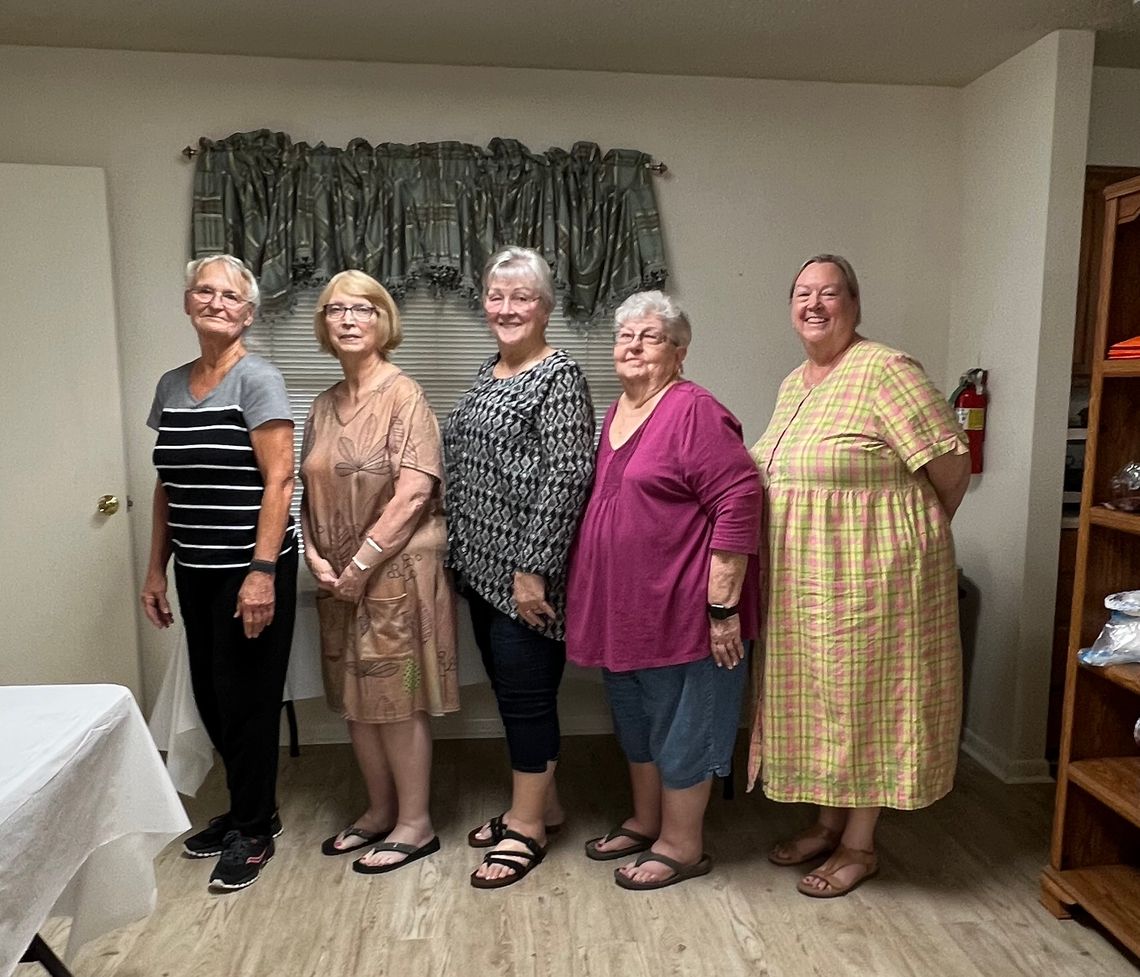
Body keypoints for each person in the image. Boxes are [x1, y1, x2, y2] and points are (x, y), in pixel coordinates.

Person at [749, 254, 970, 898]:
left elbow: (950, 464)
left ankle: (859, 844)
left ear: (855, 304)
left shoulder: (885, 369)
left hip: (876, 578)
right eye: (802, 293)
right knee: (824, 702)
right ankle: (826, 820)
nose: (814, 304)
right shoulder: (797, 382)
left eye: (830, 293)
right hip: (806, 580)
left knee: (869, 699)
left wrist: (917, 540)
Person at [565, 291, 763, 890]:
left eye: (649, 337)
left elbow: (739, 499)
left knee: (685, 726)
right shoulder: (617, 411)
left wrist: (722, 608)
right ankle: (648, 819)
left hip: (685, 612)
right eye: (625, 335)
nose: (632, 345)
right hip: (627, 612)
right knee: (638, 721)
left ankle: (683, 844)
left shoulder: (693, 410)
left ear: (679, 352)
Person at [141, 254, 297, 892]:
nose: (216, 302)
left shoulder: (258, 379)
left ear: (248, 312)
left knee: (247, 700)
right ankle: (243, 809)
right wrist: (155, 568)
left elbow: (280, 480)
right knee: (210, 697)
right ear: (187, 303)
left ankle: (255, 829)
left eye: (230, 295)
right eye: (204, 291)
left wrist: (261, 572)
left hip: (249, 570)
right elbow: (168, 484)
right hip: (195, 569)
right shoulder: (171, 385)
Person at [443, 246, 595, 889]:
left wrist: (532, 570)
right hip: (481, 572)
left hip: (526, 580)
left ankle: (527, 828)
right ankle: (544, 806)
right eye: (496, 296)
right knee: (511, 698)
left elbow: (566, 477)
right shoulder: (489, 372)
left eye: (521, 297)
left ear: (546, 306)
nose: (506, 308)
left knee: (528, 702)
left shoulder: (559, 376)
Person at [300, 270, 458, 874]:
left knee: (394, 699)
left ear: (382, 321)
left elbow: (415, 491)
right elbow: (306, 490)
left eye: (360, 309)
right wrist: (315, 554)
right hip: (336, 578)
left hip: (391, 571)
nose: (346, 319)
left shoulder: (404, 394)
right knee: (354, 700)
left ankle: (414, 824)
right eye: (334, 309)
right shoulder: (321, 403)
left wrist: (362, 562)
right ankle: (377, 810)